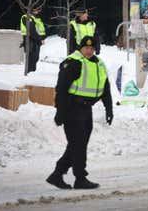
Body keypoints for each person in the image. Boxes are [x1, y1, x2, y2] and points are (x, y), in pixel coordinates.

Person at [47, 36, 113, 190]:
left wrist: (109, 109)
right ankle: (80, 177)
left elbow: (106, 89)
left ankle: (57, 174)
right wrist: (60, 112)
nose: (89, 51)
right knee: (78, 144)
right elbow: (61, 89)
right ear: (80, 48)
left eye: (92, 48)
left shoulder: (99, 64)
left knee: (78, 144)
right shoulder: (73, 62)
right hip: (72, 108)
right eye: (86, 48)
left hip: (86, 109)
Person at [20, 8, 46, 73]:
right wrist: (39, 39)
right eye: (36, 10)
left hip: (36, 40)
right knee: (31, 57)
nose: (38, 11)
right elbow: (31, 30)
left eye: (38, 10)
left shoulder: (36, 19)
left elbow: (40, 30)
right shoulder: (26, 17)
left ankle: (32, 73)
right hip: (30, 39)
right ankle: (29, 73)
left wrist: (42, 38)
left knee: (35, 57)